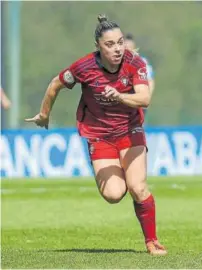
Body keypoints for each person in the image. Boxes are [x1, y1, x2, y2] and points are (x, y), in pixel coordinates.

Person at [25, 14, 167, 256]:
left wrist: (120, 96)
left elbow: (145, 99)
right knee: (114, 194)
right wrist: (44, 114)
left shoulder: (136, 63)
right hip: (99, 136)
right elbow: (55, 84)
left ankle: (152, 242)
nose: (117, 49)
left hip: (129, 131)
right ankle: (115, 172)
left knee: (138, 187)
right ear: (98, 47)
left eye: (120, 42)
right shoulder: (84, 67)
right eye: (110, 44)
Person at [124, 33, 155, 98]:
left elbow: (150, 81)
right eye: (126, 47)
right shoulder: (117, 61)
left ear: (134, 47)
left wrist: (146, 97)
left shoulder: (142, 61)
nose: (128, 50)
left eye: (130, 47)